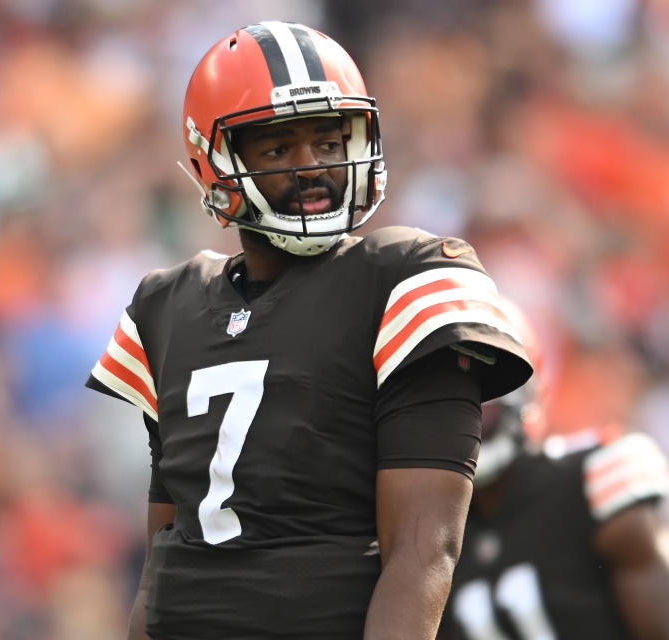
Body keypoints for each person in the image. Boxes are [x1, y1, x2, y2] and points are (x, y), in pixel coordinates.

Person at [85, 21, 532, 640]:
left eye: (327, 141)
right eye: (277, 149)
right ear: (213, 162)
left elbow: (424, 552)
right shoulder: (165, 305)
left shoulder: (405, 277)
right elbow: (163, 561)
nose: (312, 168)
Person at [438, 300, 669, 640]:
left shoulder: (594, 485)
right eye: (447, 398)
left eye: (486, 393)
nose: (469, 416)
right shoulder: (421, 532)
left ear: (529, 391)